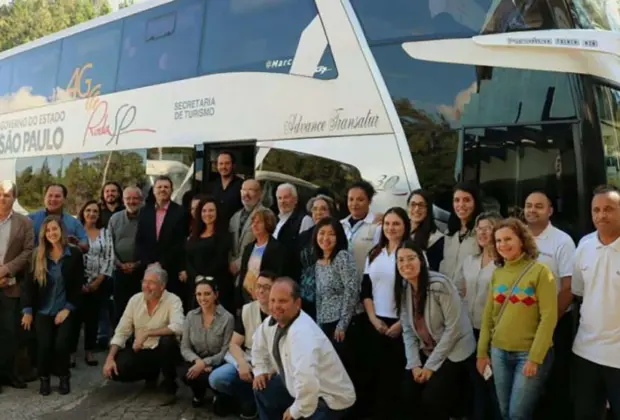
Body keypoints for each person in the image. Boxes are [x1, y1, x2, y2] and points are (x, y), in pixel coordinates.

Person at [477, 218, 557, 420]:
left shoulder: (540, 272)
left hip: (528, 355)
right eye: (498, 241)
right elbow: (488, 315)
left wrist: (535, 357)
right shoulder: (498, 273)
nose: (503, 245)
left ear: (522, 240)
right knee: (504, 412)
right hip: (499, 352)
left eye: (508, 239)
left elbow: (549, 317)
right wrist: (481, 353)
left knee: (517, 414)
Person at [252, 277, 355, 420]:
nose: (276, 306)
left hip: (329, 400)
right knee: (262, 388)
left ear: (297, 303)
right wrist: (261, 370)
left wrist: (295, 411)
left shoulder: (302, 334)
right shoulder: (272, 321)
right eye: (273, 300)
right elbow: (258, 346)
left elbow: (308, 384)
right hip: (296, 387)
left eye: (282, 301)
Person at [398, 240, 476, 419]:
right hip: (427, 350)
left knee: (433, 398)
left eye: (411, 258)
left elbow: (454, 330)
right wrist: (415, 364)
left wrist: (430, 367)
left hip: (454, 350)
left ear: (422, 260)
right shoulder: (404, 288)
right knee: (407, 392)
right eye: (400, 260)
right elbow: (408, 331)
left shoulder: (440, 284)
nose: (405, 264)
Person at [103, 263, 184, 406]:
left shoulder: (173, 300)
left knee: (168, 341)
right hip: (141, 350)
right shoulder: (135, 300)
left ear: (162, 286)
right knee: (116, 369)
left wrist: (148, 333)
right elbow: (122, 331)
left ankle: (169, 386)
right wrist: (110, 358)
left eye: (151, 283)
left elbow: (179, 326)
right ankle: (151, 374)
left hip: (163, 351)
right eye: (144, 282)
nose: (146, 286)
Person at [571, 185, 620, 420]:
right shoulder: (584, 245)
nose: (601, 215)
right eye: (596, 210)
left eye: (609, 209)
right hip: (585, 352)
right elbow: (579, 291)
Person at [21, 216, 84, 396]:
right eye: (48, 230)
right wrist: (27, 310)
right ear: (43, 234)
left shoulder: (75, 254)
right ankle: (44, 379)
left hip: (65, 309)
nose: (51, 233)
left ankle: (64, 377)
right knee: (44, 346)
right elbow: (28, 286)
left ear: (61, 231)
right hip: (43, 310)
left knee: (61, 345)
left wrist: (67, 309)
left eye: (54, 229)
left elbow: (79, 285)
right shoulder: (37, 255)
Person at [209, 271, 276, 419]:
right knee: (216, 378)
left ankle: (258, 403)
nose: (261, 290)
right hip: (250, 358)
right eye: (258, 286)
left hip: (272, 364)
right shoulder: (248, 309)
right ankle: (248, 398)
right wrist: (241, 363)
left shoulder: (281, 311)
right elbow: (233, 344)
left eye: (267, 287)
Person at [0, 180, 33, 389]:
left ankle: (8, 374)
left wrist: (5, 271)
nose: (3, 198)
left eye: (7, 195)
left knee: (9, 332)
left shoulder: (24, 223)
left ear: (14, 198)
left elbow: (28, 251)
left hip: (10, 285)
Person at [180, 279, 234, 407]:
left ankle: (219, 393)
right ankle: (198, 393)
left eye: (207, 294)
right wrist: (198, 362)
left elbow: (226, 350)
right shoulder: (190, 316)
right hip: (197, 360)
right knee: (184, 372)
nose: (202, 298)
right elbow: (185, 347)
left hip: (218, 363)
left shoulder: (228, 318)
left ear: (216, 295)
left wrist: (206, 362)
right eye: (199, 294)